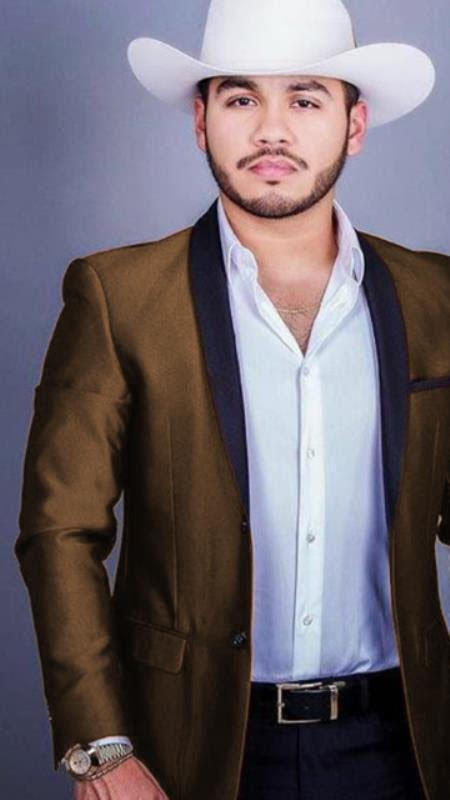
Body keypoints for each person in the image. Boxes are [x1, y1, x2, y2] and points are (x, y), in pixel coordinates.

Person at [15, 0, 450, 798]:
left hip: (406, 745)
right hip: (193, 743)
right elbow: (59, 531)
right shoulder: (118, 297)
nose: (271, 130)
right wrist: (101, 748)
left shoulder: (437, 298)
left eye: (306, 99)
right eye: (242, 97)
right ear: (201, 120)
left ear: (355, 125)